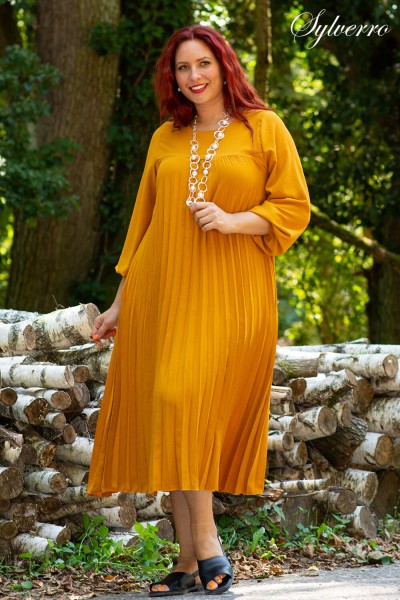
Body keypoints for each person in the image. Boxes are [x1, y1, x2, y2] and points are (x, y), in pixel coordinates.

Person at [87, 24, 310, 596]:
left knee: (185, 403)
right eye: (182, 68)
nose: (194, 76)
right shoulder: (166, 137)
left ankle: (206, 544)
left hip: (233, 293)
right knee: (174, 410)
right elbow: (144, 225)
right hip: (162, 293)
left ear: (224, 65)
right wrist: (120, 304)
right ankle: (190, 560)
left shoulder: (263, 127)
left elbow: (293, 207)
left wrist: (233, 220)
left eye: (203, 63)